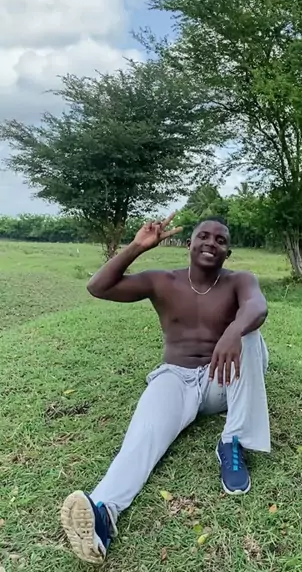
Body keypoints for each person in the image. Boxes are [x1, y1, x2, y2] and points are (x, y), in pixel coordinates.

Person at [60, 214, 270, 565]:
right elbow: (98, 287)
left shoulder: (240, 281)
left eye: (220, 240)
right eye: (203, 236)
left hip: (223, 380)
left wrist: (233, 331)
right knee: (143, 435)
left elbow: (257, 306)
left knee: (250, 334)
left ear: (228, 252)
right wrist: (137, 246)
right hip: (177, 377)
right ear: (189, 244)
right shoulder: (163, 281)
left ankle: (232, 442)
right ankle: (103, 511)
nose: (211, 243)